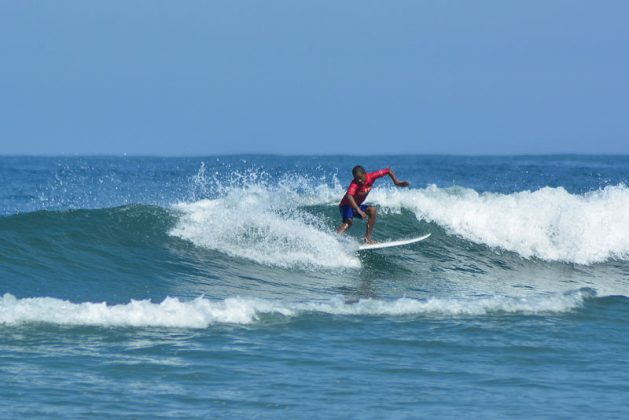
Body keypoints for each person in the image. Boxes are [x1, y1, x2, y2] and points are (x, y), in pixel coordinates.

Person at [336, 165, 410, 243]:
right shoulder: (354, 184)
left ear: (365, 174)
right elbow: (349, 196)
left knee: (372, 210)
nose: (359, 180)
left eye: (360, 178)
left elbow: (388, 170)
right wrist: (358, 210)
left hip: (356, 206)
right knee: (349, 222)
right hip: (346, 206)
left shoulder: (371, 176)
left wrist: (397, 182)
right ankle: (335, 239)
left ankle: (367, 239)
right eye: (356, 178)